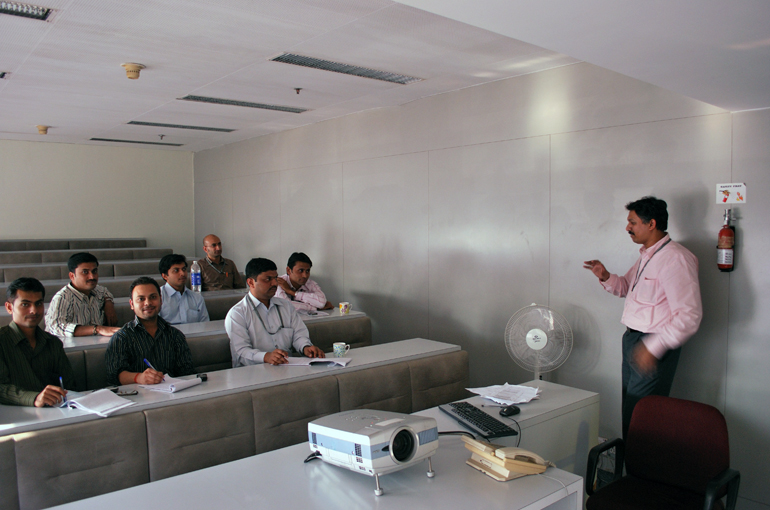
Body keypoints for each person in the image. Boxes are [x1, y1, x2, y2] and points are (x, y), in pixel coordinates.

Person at [584, 196, 702, 439]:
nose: (627, 227)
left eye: (633, 222)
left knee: (644, 418)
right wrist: (605, 276)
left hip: (654, 345)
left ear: (651, 224)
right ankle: (631, 461)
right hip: (633, 341)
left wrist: (653, 348)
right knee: (631, 412)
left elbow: (689, 315)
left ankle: (640, 463)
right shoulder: (648, 255)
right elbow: (626, 287)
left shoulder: (676, 258)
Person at [225, 257, 325, 366]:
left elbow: (299, 334)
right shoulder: (237, 313)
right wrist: (266, 357)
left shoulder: (286, 306)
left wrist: (305, 347)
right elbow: (241, 352)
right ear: (251, 282)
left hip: (286, 367)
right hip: (252, 371)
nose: (274, 283)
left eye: (275, 278)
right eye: (268, 279)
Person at [104, 277, 195, 386]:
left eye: (153, 297)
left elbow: (187, 372)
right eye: (141, 299)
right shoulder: (121, 338)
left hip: (173, 392)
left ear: (161, 300)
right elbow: (114, 375)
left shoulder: (175, 335)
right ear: (132, 304)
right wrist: (139, 377)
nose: (148, 303)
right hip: (138, 394)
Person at [1, 278, 75, 407]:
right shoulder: (2, 341)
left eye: (38, 303)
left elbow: (70, 385)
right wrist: (34, 398)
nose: (34, 311)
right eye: (25, 304)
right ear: (9, 307)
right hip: (15, 414)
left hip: (56, 411)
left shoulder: (53, 343)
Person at [45, 253, 120, 337]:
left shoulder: (97, 290)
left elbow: (105, 292)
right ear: (72, 276)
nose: (92, 277)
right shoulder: (63, 298)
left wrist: (109, 304)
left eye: (94, 271)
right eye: (85, 272)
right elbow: (56, 327)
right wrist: (98, 329)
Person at [158, 254, 209, 324]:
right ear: (165, 276)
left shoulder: (197, 298)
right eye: (176, 270)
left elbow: (205, 325)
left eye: (184, 269)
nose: (182, 273)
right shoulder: (158, 297)